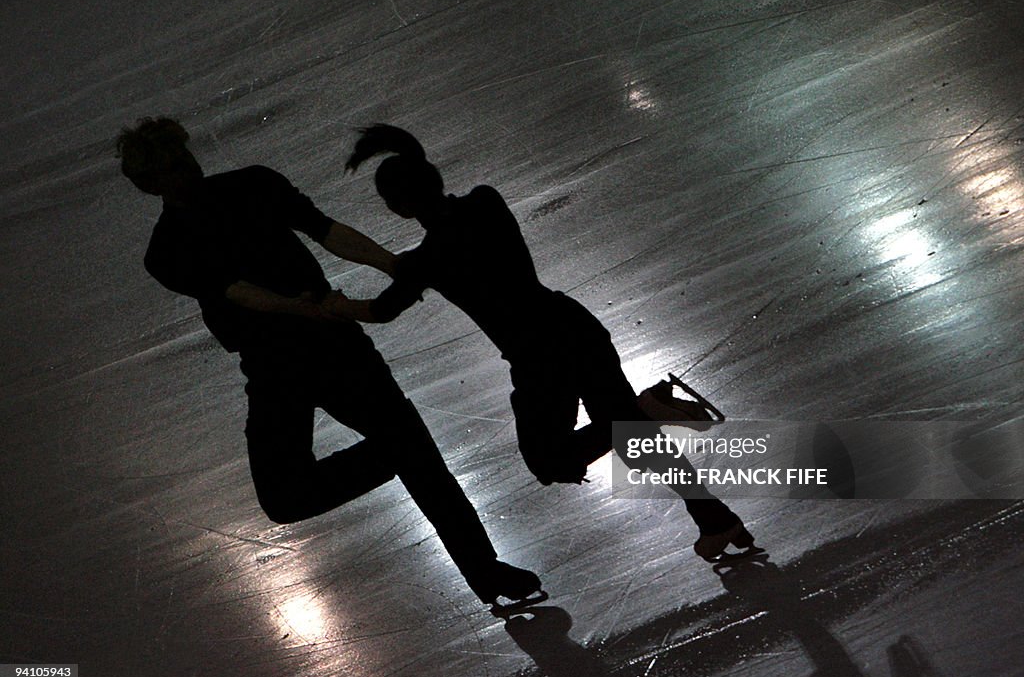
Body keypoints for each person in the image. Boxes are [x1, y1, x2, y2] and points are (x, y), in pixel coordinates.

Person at [116, 117, 540, 606]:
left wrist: (392, 265)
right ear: (149, 185)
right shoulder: (166, 251)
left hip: (330, 346)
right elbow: (239, 292)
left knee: (551, 453)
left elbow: (325, 230)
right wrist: (308, 307)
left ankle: (645, 425)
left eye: (185, 156)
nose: (188, 168)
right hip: (278, 364)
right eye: (173, 166)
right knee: (287, 495)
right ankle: (404, 454)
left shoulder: (254, 183)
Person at [329, 124, 755, 561]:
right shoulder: (485, 202)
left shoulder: (426, 260)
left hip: (538, 358)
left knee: (551, 460)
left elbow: (381, 311)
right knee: (635, 438)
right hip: (572, 326)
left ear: (399, 206)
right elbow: (447, 250)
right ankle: (715, 520)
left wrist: (330, 306)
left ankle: (646, 412)